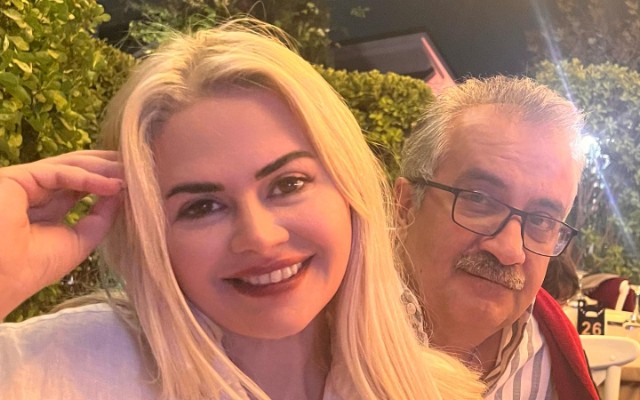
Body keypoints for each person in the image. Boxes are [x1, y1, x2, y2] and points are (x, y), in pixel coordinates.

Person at [0, 20, 484, 399]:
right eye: (202, 206)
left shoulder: (436, 391)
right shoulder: (60, 370)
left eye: (288, 184)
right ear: (151, 234)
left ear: (348, 187)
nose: (260, 237)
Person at [394, 76, 599, 399]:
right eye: (480, 199)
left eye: (541, 220)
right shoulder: (322, 334)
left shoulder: (556, 363)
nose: (509, 249)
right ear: (405, 206)